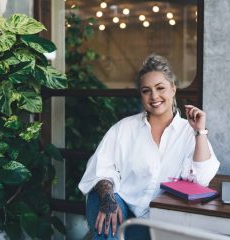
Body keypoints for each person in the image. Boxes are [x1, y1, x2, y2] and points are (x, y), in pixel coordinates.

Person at [78, 54, 220, 240]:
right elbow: (100, 168)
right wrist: (108, 200)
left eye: (160, 88)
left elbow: (201, 179)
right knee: (101, 202)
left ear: (173, 89)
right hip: (123, 209)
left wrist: (200, 132)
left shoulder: (188, 132)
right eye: (146, 90)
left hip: (160, 220)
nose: (154, 96)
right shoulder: (124, 128)